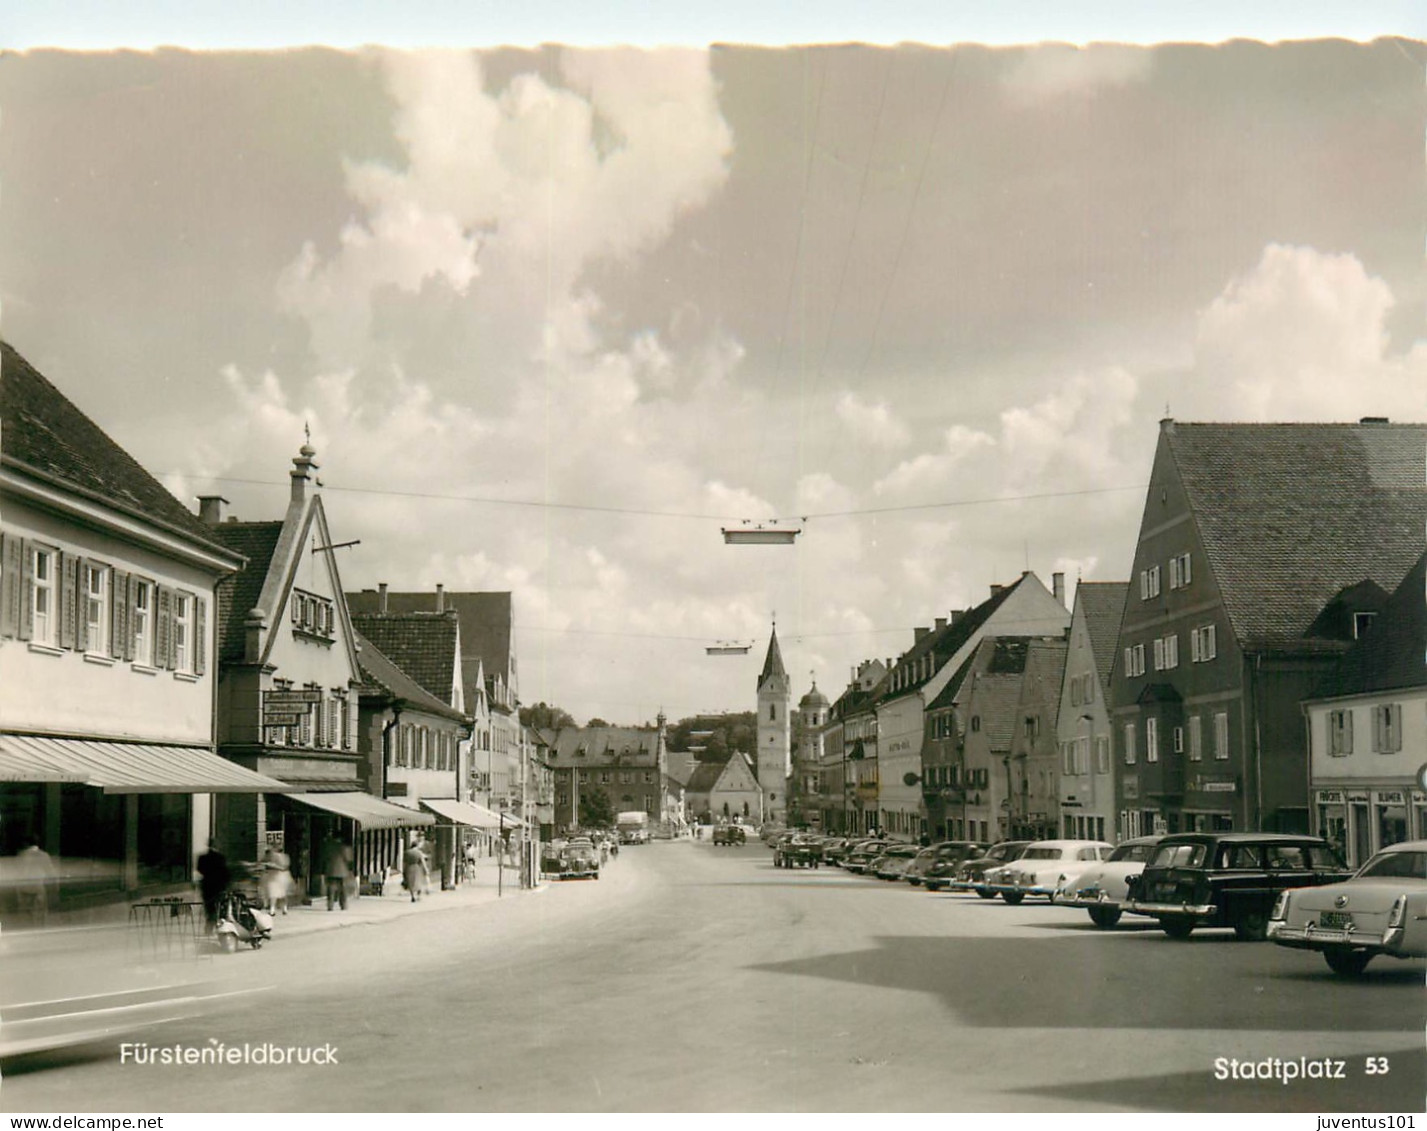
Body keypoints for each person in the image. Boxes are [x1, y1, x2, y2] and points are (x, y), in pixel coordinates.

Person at [14, 835, 57, 928]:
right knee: (40, 916)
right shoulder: (44, 855)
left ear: (26, 844)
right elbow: (51, 874)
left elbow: (17, 874)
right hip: (38, 889)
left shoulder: (21, 855)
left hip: (23, 889)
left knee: (26, 917)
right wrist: (54, 887)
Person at [196, 838, 230, 932]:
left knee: (209, 906)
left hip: (206, 885)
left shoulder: (202, 857)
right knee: (219, 906)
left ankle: (209, 926)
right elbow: (225, 872)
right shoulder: (221, 857)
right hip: (218, 885)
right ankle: (217, 925)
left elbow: (199, 869)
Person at [321, 834, 353, 911]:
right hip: (342, 871)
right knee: (343, 889)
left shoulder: (328, 847)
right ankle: (343, 905)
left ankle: (330, 905)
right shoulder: (344, 848)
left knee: (331, 889)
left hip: (331, 870)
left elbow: (324, 858)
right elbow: (349, 859)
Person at [260, 844, 292, 915]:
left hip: (279, 876)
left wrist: (272, 865)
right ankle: (275, 908)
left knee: (278, 893)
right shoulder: (270, 856)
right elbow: (262, 862)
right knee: (274, 893)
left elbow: (283, 867)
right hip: (274, 876)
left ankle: (281, 908)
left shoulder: (282, 856)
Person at [402, 835, 426, 903]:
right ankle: (418, 895)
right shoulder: (419, 852)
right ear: (416, 846)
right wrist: (425, 870)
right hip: (417, 868)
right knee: (418, 882)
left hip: (409, 867)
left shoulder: (407, 852)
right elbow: (422, 862)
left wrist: (403, 870)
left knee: (410, 883)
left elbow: (404, 862)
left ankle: (412, 896)